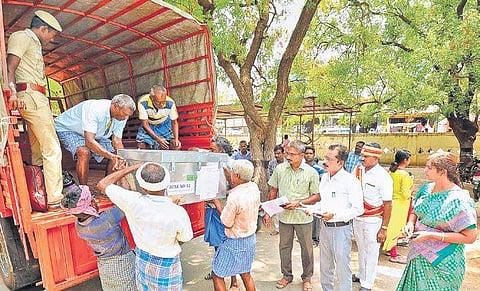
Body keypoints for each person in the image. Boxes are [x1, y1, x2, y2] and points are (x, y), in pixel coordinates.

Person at [97, 162, 193, 290]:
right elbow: (185, 238)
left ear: (143, 188)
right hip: (167, 262)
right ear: (166, 183)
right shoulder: (178, 212)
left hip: (142, 258)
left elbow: (102, 184)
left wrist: (132, 167)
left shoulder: (133, 202)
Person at [7, 10, 64, 206]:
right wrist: (12, 92)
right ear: (43, 28)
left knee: (39, 148)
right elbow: (9, 67)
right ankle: (56, 197)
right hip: (31, 96)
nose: (51, 38)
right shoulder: (22, 37)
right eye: (51, 34)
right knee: (53, 148)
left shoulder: (32, 42)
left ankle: (41, 192)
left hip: (34, 96)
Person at [396, 153, 477, 291]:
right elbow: (416, 211)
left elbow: (470, 237)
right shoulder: (426, 189)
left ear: (442, 172)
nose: (425, 170)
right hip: (419, 256)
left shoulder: (458, 200)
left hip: (444, 262)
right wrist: (410, 223)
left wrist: (431, 235)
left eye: (429, 167)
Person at [263, 140, 320, 291]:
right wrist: (269, 210)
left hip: (303, 217)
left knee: (307, 249)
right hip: (284, 217)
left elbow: (316, 196)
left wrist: (299, 203)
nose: (288, 156)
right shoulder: (280, 169)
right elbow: (273, 190)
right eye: (287, 153)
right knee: (284, 247)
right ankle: (286, 275)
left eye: (292, 154)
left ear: (302, 155)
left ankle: (307, 278)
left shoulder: (311, 172)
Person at [60, 184, 135, 290]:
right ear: (91, 204)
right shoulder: (106, 219)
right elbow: (127, 202)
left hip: (104, 265)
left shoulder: (79, 225)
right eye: (93, 198)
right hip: (121, 263)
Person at [312, 144, 363, 291]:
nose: (324, 161)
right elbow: (323, 202)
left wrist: (335, 215)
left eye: (329, 158)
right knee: (325, 265)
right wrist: (312, 209)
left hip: (341, 229)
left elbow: (358, 208)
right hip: (325, 228)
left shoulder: (350, 181)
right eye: (325, 157)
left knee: (342, 266)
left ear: (340, 162)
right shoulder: (325, 178)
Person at [55, 94, 135, 185]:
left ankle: (106, 186)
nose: (126, 118)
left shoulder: (122, 116)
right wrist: (110, 155)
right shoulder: (94, 109)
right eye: (125, 114)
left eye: (128, 115)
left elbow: (117, 140)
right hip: (68, 129)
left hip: (93, 134)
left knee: (116, 153)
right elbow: (89, 141)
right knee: (84, 152)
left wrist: (123, 158)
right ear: (115, 106)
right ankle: (84, 190)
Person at [210, 160, 260, 291]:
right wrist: (226, 193)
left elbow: (226, 223)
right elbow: (238, 191)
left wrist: (217, 203)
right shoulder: (253, 187)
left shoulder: (235, 197)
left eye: (231, 172)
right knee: (245, 273)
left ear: (237, 176)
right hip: (250, 239)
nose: (229, 175)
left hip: (235, 242)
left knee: (217, 274)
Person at [352, 143, 393, 291]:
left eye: (365, 156)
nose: (362, 158)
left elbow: (388, 204)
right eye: (362, 155)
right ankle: (361, 274)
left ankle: (367, 284)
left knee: (371, 252)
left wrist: (384, 228)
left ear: (375, 158)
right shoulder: (357, 170)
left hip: (373, 220)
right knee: (361, 249)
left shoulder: (383, 176)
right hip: (357, 217)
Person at [203, 136, 239, 289]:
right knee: (217, 244)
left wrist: (222, 194)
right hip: (210, 208)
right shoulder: (210, 161)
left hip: (223, 209)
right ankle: (217, 270)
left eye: (213, 150)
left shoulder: (231, 165)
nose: (210, 152)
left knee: (227, 244)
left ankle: (234, 279)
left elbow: (236, 187)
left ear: (222, 151)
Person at [383, 149, 414, 264]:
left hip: (390, 202)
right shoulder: (404, 175)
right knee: (395, 230)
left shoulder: (391, 172)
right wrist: (412, 190)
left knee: (389, 227)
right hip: (400, 205)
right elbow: (406, 194)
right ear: (405, 160)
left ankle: (389, 249)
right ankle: (393, 255)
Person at [136, 85, 181, 150]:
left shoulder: (170, 103)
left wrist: (176, 139)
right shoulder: (143, 102)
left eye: (163, 102)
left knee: (175, 145)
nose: (161, 105)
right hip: (149, 124)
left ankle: (173, 160)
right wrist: (158, 139)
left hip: (164, 124)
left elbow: (174, 122)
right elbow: (145, 124)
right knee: (141, 145)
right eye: (158, 102)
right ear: (151, 98)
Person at [304, 146, 325, 248]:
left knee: (315, 218)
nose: (308, 155)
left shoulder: (319, 169)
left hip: (315, 196)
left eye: (310, 153)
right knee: (305, 216)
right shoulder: (301, 167)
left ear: (314, 155)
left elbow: (322, 183)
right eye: (306, 153)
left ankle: (315, 239)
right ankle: (305, 238)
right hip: (304, 195)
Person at [267, 144, 286, 236]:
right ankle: (277, 229)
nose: (277, 155)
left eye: (279, 153)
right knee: (276, 208)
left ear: (283, 153)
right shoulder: (272, 163)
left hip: (286, 189)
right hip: (275, 189)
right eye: (275, 153)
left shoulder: (288, 163)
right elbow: (270, 176)